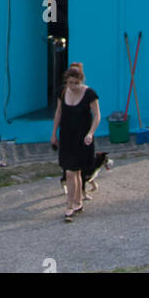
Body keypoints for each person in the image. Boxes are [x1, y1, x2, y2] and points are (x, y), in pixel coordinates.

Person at [51, 62, 101, 221]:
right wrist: (54, 134)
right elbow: (58, 113)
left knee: (75, 171)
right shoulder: (62, 92)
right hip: (66, 137)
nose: (72, 86)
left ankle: (71, 204)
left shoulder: (90, 94)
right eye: (70, 83)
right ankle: (76, 202)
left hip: (82, 138)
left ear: (81, 80)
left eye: (76, 83)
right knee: (70, 171)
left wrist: (91, 133)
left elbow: (97, 116)